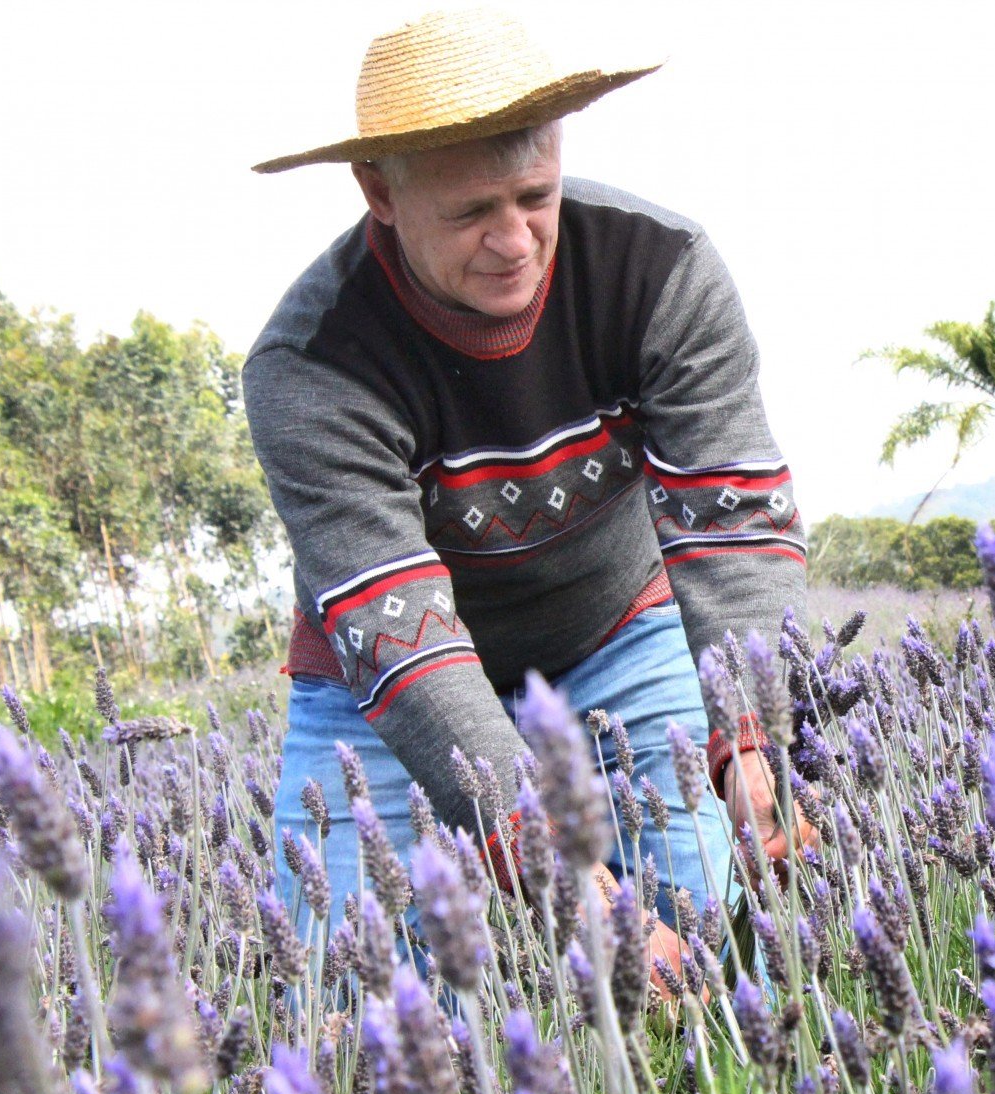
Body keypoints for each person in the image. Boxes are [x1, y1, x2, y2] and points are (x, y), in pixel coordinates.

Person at [243, 7, 810, 967]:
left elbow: (735, 528)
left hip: (614, 631)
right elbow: (401, 641)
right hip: (381, 689)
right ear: (378, 189)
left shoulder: (659, 271)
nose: (514, 241)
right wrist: (556, 863)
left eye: (534, 196)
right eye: (472, 213)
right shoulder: (312, 367)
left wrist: (752, 737)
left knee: (718, 939)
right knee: (350, 989)